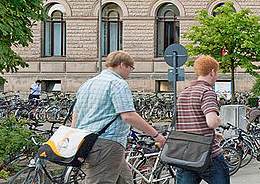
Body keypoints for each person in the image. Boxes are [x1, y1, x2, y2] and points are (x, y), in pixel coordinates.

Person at [70, 51, 167, 184]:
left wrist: (74, 140)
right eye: (131, 68)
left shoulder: (88, 84)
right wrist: (156, 135)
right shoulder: (117, 84)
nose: (130, 72)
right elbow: (128, 116)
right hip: (108, 143)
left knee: (125, 179)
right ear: (122, 65)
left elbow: (76, 115)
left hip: (87, 141)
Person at [172, 56, 229, 184]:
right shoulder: (206, 91)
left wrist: (213, 134)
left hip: (185, 155)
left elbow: (187, 123)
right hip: (208, 155)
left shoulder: (184, 93)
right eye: (217, 73)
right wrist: (218, 120)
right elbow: (211, 122)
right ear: (212, 72)